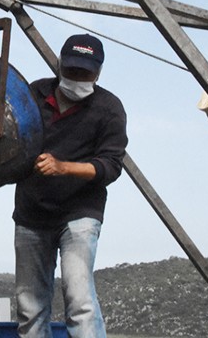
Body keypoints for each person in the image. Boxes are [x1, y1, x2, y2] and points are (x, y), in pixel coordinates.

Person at [12, 33, 128, 338]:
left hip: (79, 213)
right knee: (30, 306)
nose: (77, 78)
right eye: (72, 70)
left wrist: (63, 167)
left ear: (98, 73)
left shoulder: (108, 108)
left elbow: (111, 165)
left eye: (85, 73)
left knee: (79, 300)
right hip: (31, 213)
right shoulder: (34, 94)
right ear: (61, 64)